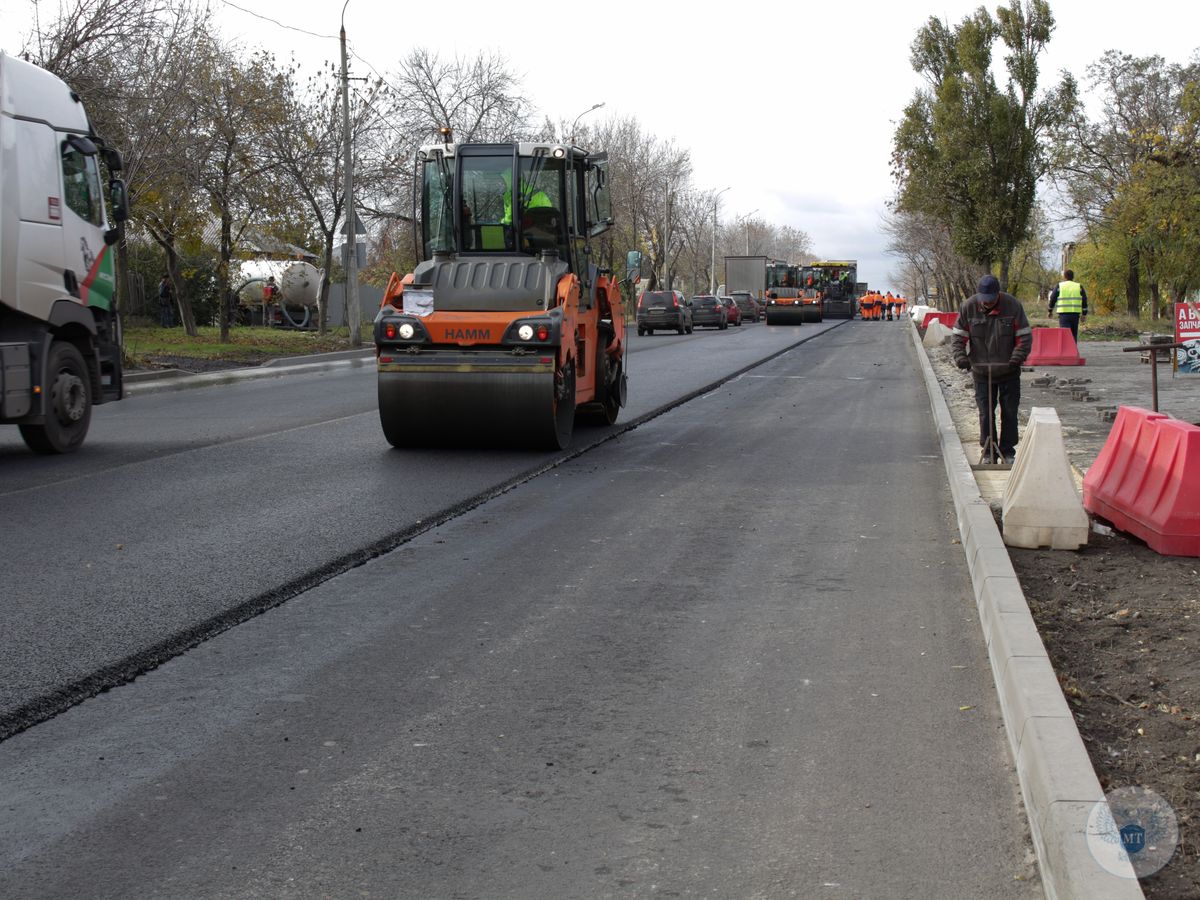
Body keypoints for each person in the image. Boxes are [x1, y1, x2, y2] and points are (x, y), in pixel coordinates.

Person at [951, 274, 1033, 464]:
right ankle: (988, 451)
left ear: (998, 295)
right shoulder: (969, 307)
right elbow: (958, 338)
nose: (987, 304)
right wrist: (961, 357)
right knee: (986, 412)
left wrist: (1017, 358)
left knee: (1010, 411)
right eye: (984, 300)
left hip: (1008, 371)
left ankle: (1008, 451)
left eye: (991, 300)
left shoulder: (1012, 306)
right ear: (979, 296)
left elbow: (1024, 337)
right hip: (981, 372)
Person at [1048, 268, 1088, 343]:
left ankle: (1066, 353)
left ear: (1064, 277)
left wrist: (1050, 310)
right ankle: (1074, 352)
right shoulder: (1079, 286)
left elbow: (1052, 298)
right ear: (1073, 277)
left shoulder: (1060, 286)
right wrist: (1084, 314)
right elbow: (1084, 300)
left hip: (1064, 315)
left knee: (1065, 335)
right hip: (1075, 315)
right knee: (1073, 335)